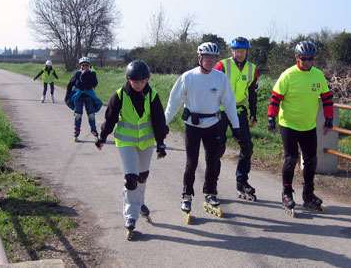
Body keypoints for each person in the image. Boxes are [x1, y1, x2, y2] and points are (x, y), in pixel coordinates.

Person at [165, 42, 240, 221]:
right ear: (200, 58)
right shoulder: (188, 77)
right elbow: (173, 102)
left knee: (213, 161)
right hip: (192, 125)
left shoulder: (220, 78)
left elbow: (229, 103)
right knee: (192, 162)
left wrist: (236, 127)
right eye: (206, 57)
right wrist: (163, 124)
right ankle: (187, 195)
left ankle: (210, 193)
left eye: (213, 58)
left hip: (213, 124)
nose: (210, 61)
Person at [95, 60, 168, 240]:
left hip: (146, 142)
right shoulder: (119, 95)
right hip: (126, 142)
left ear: (147, 80)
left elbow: (159, 122)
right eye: (135, 81)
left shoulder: (153, 95)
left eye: (143, 81)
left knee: (143, 176)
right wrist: (102, 137)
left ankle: (140, 203)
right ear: (128, 79)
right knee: (131, 179)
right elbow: (110, 118)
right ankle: (130, 217)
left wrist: (161, 144)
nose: (139, 84)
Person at [267, 41, 334, 214]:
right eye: (304, 58)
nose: (307, 62)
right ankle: (287, 193)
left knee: (311, 160)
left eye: (310, 59)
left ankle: (308, 194)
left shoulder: (318, 75)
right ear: (297, 58)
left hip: (308, 125)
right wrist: (271, 117)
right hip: (288, 124)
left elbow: (326, 98)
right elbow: (275, 98)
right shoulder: (288, 75)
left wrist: (329, 118)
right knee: (291, 159)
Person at [214, 37, 260, 201]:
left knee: (247, 146)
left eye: (242, 51)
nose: (239, 54)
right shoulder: (222, 65)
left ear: (247, 51)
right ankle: (211, 185)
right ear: (232, 51)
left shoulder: (252, 69)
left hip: (239, 110)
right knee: (217, 148)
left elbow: (253, 92)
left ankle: (242, 182)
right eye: (236, 51)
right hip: (220, 110)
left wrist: (253, 113)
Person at [65, 57, 102, 142]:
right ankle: (76, 133)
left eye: (86, 65)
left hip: (89, 96)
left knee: (91, 115)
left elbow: (94, 83)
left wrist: (87, 76)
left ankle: (94, 132)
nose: (85, 66)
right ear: (80, 66)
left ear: (89, 66)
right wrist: (68, 95)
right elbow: (70, 84)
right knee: (78, 115)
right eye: (83, 65)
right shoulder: (77, 73)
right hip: (78, 96)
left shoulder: (92, 74)